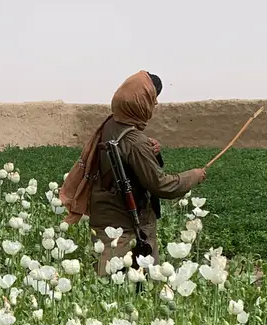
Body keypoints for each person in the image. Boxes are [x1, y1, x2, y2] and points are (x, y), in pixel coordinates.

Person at [58, 71, 208, 275]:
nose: (155, 104)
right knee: (126, 283)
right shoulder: (135, 141)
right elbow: (162, 185)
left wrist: (151, 151)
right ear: (140, 102)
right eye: (152, 99)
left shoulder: (110, 125)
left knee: (108, 280)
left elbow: (127, 159)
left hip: (105, 217)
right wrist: (195, 175)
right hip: (128, 226)